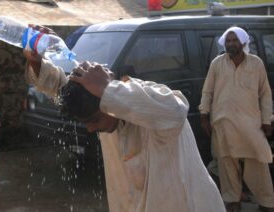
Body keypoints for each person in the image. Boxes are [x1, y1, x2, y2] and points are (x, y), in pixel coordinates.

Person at [23, 27, 226, 212]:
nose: (91, 129)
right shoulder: (102, 105)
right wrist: (38, 63)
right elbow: (64, 86)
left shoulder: (151, 104)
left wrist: (108, 89)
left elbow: (176, 111)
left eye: (94, 120)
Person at [199, 26, 274, 212]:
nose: (231, 44)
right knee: (227, 165)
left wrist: (266, 120)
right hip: (223, 124)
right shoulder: (217, 64)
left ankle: (266, 202)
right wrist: (204, 115)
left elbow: (265, 94)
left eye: (234, 40)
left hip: (250, 126)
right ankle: (232, 201)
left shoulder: (256, 64)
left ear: (243, 42)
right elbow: (207, 91)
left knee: (258, 164)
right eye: (228, 41)